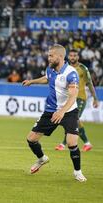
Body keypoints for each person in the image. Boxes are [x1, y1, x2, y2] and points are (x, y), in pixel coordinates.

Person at [22, 44, 87, 182]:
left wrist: (62, 112)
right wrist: (32, 82)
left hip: (68, 111)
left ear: (60, 57)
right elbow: (47, 78)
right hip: (51, 110)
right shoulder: (50, 69)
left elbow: (73, 96)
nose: (49, 58)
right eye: (48, 55)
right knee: (31, 139)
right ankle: (42, 159)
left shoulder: (71, 73)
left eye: (51, 56)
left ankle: (77, 172)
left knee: (71, 142)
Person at [55, 49, 99, 152]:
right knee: (71, 120)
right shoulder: (65, 68)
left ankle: (64, 144)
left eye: (75, 55)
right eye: (71, 56)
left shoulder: (83, 68)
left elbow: (90, 84)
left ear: (78, 57)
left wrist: (95, 99)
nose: (73, 57)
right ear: (68, 57)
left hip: (80, 98)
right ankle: (86, 143)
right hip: (70, 98)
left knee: (74, 119)